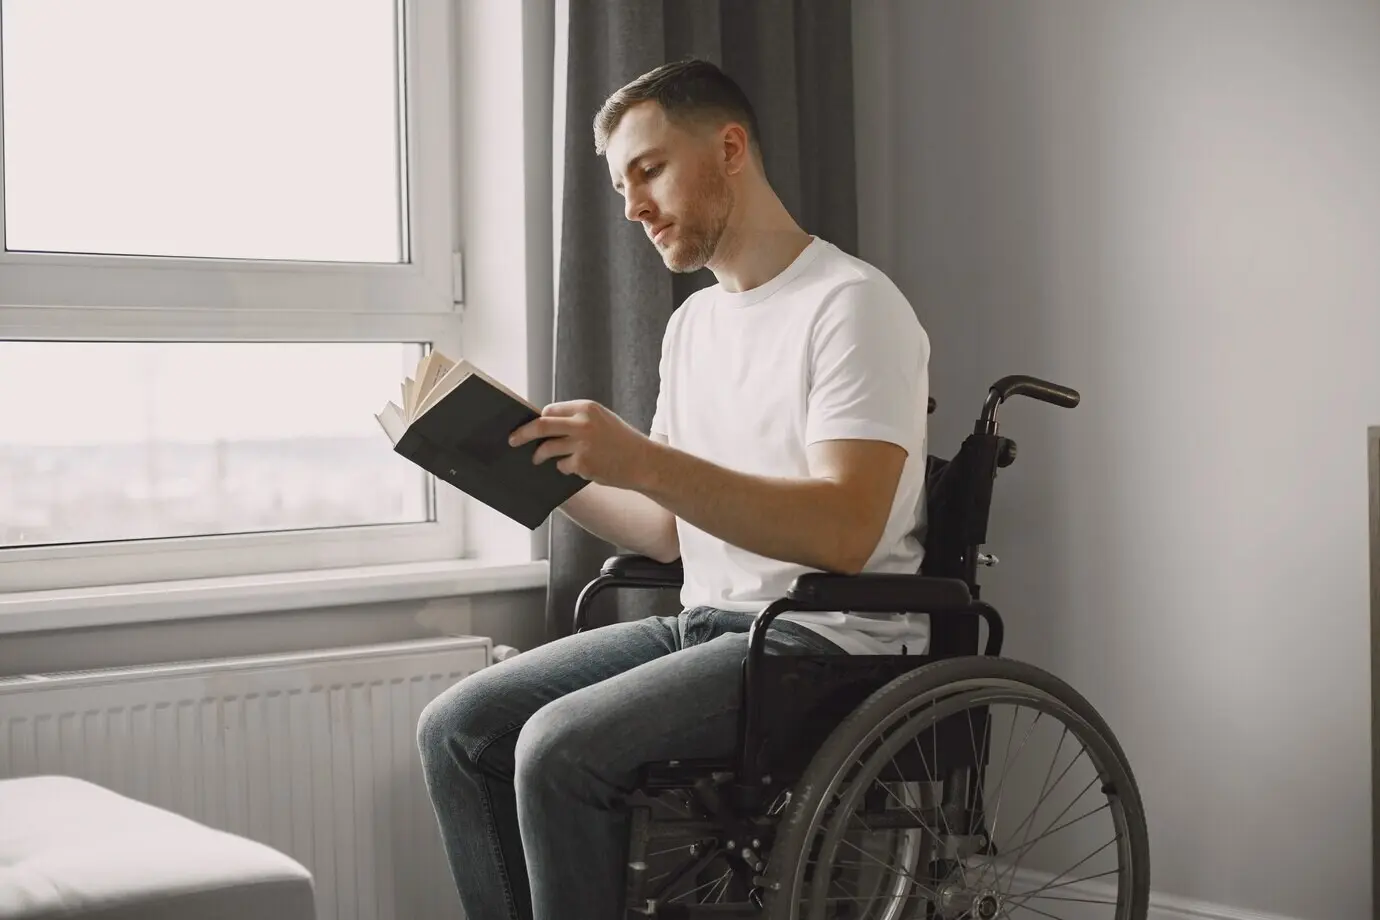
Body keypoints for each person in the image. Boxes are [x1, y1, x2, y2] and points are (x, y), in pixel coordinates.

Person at [416, 58, 931, 920]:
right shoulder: (693, 325)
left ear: (730, 148)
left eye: (649, 170)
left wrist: (641, 458)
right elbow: (661, 531)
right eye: (622, 185)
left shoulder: (853, 306)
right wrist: (535, 469)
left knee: (555, 751)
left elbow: (845, 531)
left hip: (828, 646)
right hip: (713, 628)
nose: (633, 208)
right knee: (458, 730)